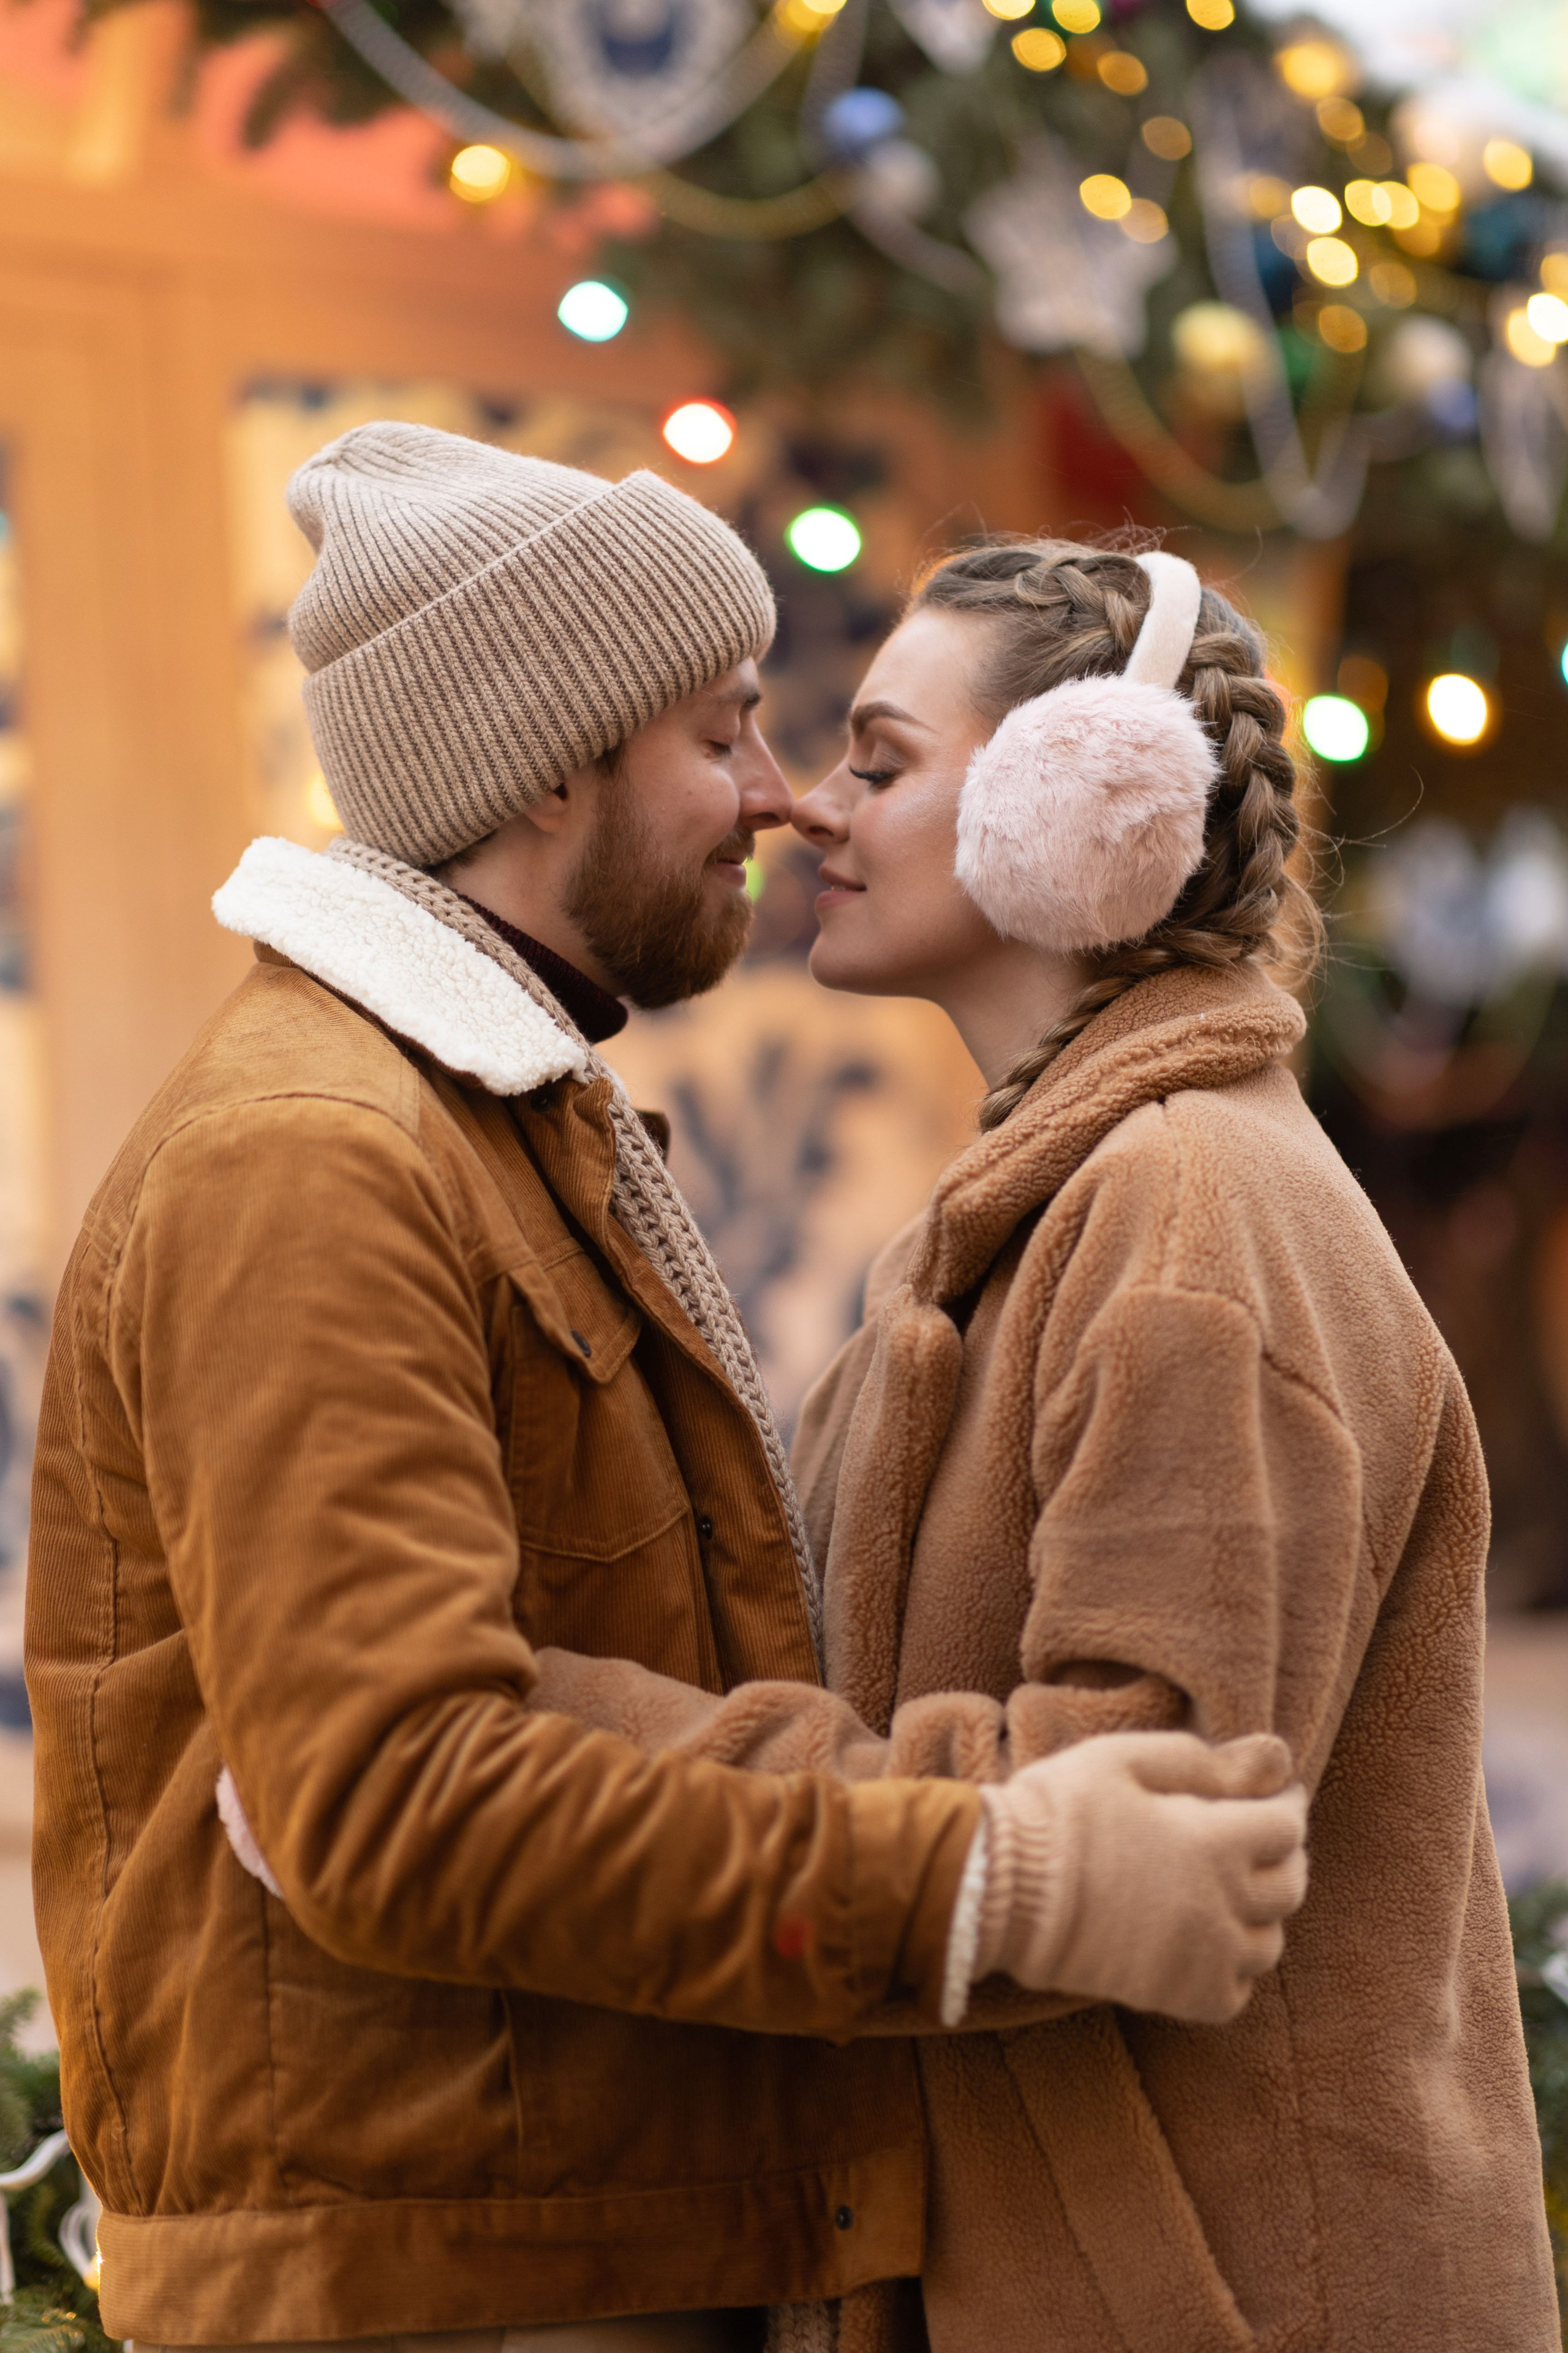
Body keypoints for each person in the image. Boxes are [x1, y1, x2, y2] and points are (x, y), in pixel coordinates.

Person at [23, 432, 1307, 2353]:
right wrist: (990, 1873)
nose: (778, 801)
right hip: (441, 2286)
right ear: (552, 763)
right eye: (727, 735)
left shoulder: (490, 1124)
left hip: (557, 2243)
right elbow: (391, 1791)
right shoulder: (314, 1156)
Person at [772, 538, 1557, 2351]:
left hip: (1230, 2296)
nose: (813, 806)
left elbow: (1146, 1826)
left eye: (882, 761)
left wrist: (645, 1760)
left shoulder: (1189, 1220)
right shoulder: (1064, 1198)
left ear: (1081, 800)